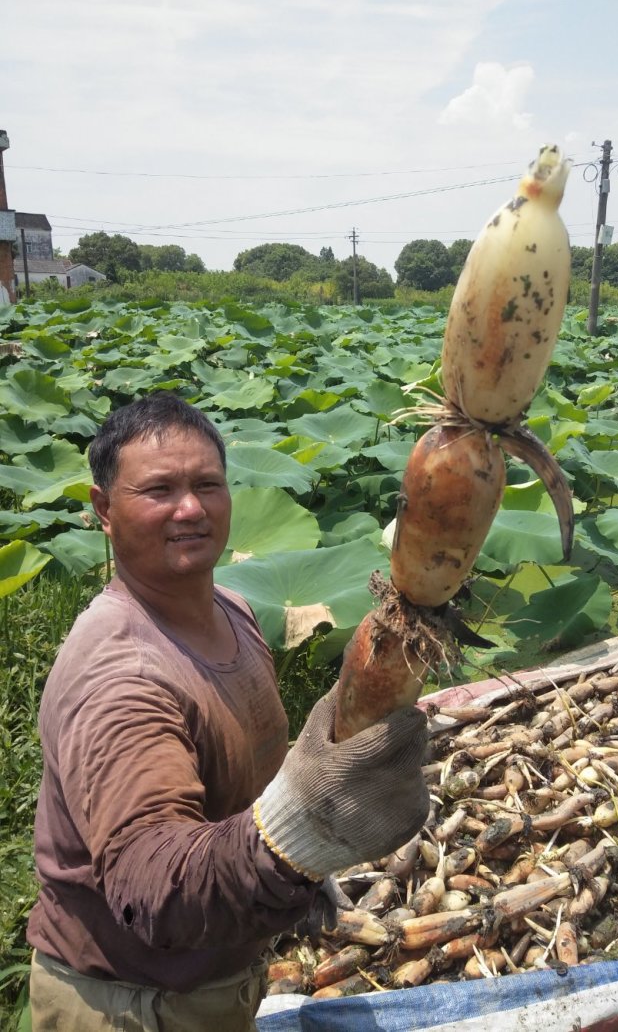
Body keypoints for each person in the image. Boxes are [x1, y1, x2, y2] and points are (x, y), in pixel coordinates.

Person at [26, 392, 430, 1031]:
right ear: (103, 509)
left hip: (213, 977)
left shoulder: (234, 610)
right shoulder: (121, 677)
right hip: (134, 1005)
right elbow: (155, 890)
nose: (190, 508)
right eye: (158, 490)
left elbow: (247, 771)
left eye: (207, 484)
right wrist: (290, 841)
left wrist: (289, 868)